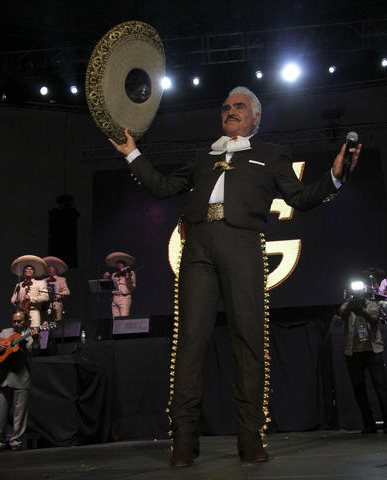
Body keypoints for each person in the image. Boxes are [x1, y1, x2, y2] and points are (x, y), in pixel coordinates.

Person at [109, 86, 360, 466]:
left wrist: (336, 176)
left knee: (248, 340)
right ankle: (183, 440)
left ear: (256, 117)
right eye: (226, 106)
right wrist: (132, 152)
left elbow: (301, 198)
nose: (230, 110)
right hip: (198, 248)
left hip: (243, 244)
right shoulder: (204, 156)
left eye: (239, 106)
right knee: (189, 341)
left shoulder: (271, 154)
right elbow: (163, 186)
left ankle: (251, 437)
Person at [338, 295, 387, 434]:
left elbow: (375, 319)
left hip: (373, 351)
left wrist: (363, 312)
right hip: (353, 353)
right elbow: (342, 316)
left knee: (380, 387)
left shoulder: (371, 305)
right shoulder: (347, 306)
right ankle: (369, 424)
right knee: (359, 389)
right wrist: (350, 306)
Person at [0, 311, 39, 451]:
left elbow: (32, 351)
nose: (16, 324)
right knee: (1, 415)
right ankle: (0, 441)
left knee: (19, 414)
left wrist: (36, 340)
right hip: (4, 378)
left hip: (21, 377)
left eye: (19, 321)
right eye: (14, 321)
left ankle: (16, 442)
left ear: (25, 322)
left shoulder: (29, 334)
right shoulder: (5, 332)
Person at [10, 255, 49, 328]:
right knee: (21, 332)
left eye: (31, 269)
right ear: (24, 272)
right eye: (26, 269)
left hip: (33, 311)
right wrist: (14, 301)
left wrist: (31, 299)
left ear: (33, 272)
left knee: (34, 331)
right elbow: (14, 297)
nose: (29, 270)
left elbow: (45, 297)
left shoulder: (40, 283)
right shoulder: (19, 284)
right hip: (21, 314)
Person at [103, 252, 137, 318]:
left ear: (125, 264)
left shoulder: (131, 273)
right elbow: (110, 287)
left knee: (123, 319)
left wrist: (128, 279)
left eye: (121, 262)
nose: (119, 264)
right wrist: (106, 279)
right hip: (115, 298)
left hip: (124, 298)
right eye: (118, 263)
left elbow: (132, 287)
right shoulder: (114, 274)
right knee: (115, 320)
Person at [42, 256, 71, 321]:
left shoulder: (61, 279)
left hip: (56, 303)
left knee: (56, 322)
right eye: (49, 268)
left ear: (56, 270)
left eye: (51, 268)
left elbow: (67, 292)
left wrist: (57, 295)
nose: (50, 269)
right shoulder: (44, 280)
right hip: (46, 305)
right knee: (46, 322)